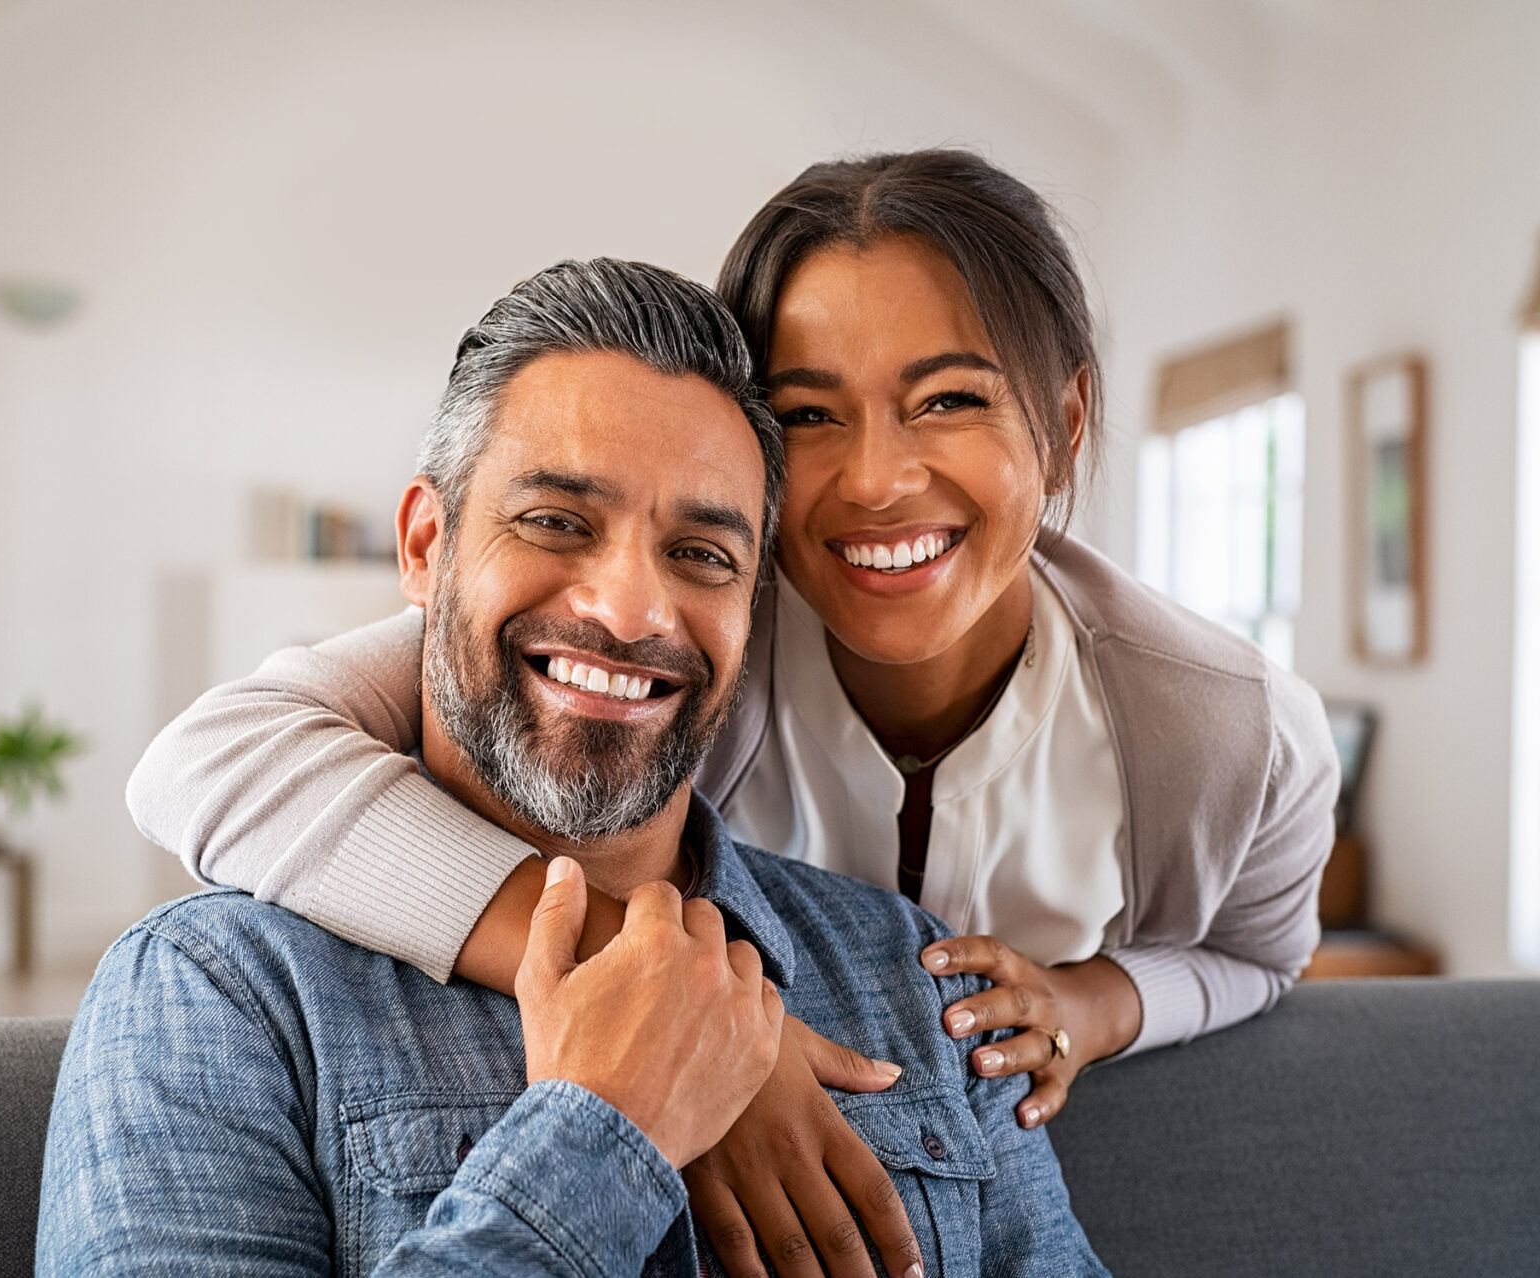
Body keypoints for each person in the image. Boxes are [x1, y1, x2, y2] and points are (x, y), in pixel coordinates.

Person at [127, 151, 1336, 1278]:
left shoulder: (1199, 741)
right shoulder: (226, 996)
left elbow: (1257, 955)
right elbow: (214, 758)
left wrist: (1088, 1003)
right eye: (809, 415)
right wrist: (660, 1039)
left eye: (949, 397)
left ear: (1063, 424)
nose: (873, 481)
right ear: (427, 545)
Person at [40, 258, 1105, 1277]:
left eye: (701, 555)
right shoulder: (217, 995)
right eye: (554, 522)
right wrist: (602, 1136)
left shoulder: (915, 980)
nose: (629, 611)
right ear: (424, 547)